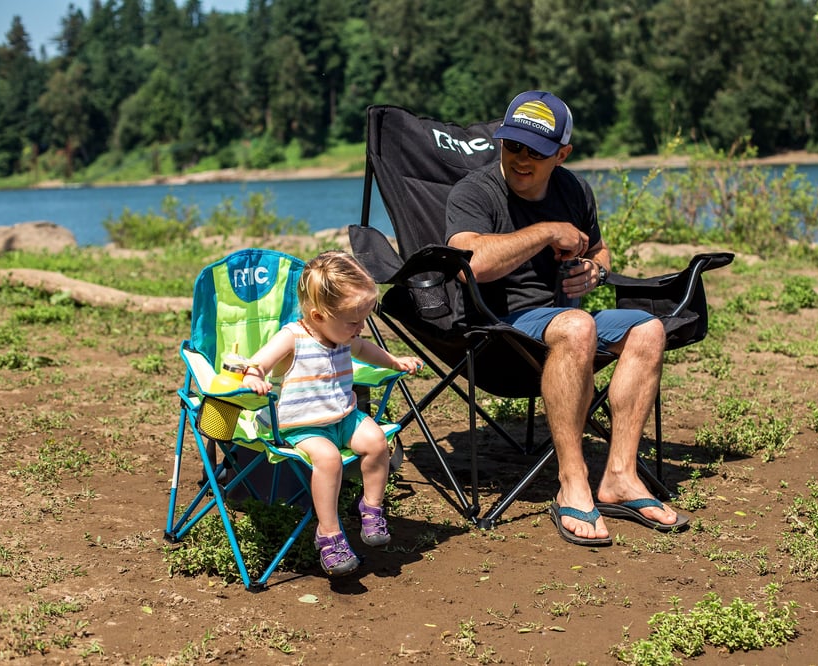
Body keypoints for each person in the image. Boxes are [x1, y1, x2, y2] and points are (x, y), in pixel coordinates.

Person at [445, 90, 690, 546]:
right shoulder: (475, 191)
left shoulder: (574, 189)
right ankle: (572, 483)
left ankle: (619, 477)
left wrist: (595, 272)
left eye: (536, 152)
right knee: (579, 326)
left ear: (562, 154)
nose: (521, 158)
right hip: (496, 331)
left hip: (565, 323)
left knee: (648, 328)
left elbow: (600, 251)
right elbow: (469, 262)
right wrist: (545, 232)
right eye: (513, 145)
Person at [241, 251, 423, 575]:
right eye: (354, 321)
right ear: (318, 315)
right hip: (303, 427)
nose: (360, 327)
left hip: (343, 417)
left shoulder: (345, 337)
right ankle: (328, 532)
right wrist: (254, 377)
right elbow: (258, 362)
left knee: (377, 441)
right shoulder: (293, 337)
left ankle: (371, 506)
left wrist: (393, 361)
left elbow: (365, 349)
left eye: (363, 319)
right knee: (328, 459)